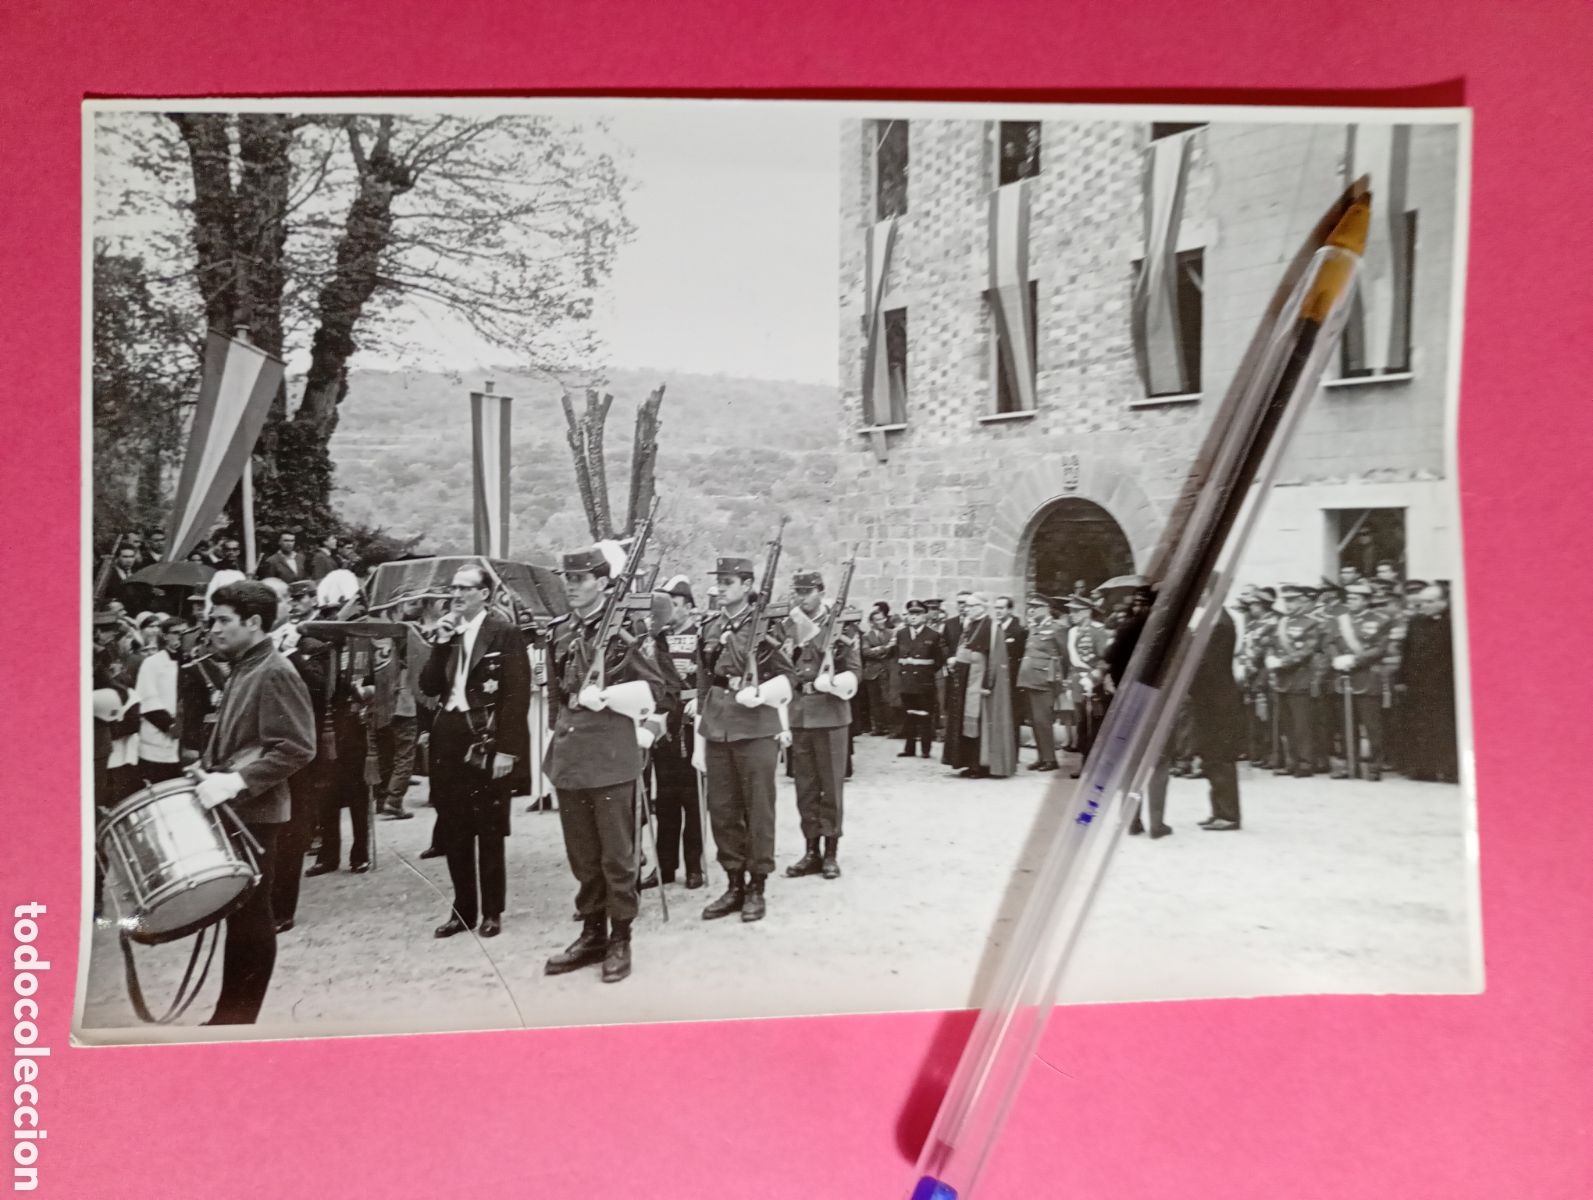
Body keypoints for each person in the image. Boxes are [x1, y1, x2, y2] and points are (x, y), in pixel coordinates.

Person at [191, 580, 316, 1024]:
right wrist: (210, 771)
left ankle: (238, 1019)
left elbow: (297, 747)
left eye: (223, 621)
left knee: (251, 914)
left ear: (254, 623)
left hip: (255, 813)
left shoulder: (274, 670)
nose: (213, 630)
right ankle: (230, 1015)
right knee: (239, 914)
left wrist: (234, 783)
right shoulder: (246, 666)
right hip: (239, 810)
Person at [542, 546, 666, 983]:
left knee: (617, 854)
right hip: (572, 755)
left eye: (580, 579)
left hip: (612, 755)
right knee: (582, 854)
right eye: (568, 579)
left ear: (602, 582)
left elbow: (656, 687)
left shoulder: (627, 632)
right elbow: (559, 694)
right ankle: (591, 932)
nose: (572, 586)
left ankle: (620, 937)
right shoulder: (558, 632)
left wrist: (610, 697)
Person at [418, 564, 531, 939]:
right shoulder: (447, 633)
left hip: (485, 733)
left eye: (466, 588)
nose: (457, 595)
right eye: (454, 588)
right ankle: (462, 909)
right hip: (448, 733)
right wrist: (440, 643)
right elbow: (429, 686)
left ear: (484, 594)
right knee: (453, 827)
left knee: (489, 827)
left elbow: (516, 697)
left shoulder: (505, 633)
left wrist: (508, 752)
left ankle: (492, 911)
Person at [693, 554, 795, 923]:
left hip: (755, 726)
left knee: (757, 809)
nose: (720, 588)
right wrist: (700, 734)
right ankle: (734, 883)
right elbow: (705, 682)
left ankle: (757, 885)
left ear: (748, 586)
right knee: (722, 810)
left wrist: (761, 693)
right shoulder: (708, 626)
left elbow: (788, 676)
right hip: (718, 724)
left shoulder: (768, 626)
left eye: (728, 582)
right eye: (718, 581)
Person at [782, 569, 862, 881]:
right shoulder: (789, 624)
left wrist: (833, 680)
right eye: (798, 592)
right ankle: (810, 850)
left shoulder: (840, 624)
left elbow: (855, 669)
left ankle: (830, 852)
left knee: (831, 787)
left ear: (820, 591)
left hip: (830, 712)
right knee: (805, 788)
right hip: (800, 711)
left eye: (807, 591)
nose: (802, 597)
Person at [268, 581, 331, 934]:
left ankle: (282, 909)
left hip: (297, 749)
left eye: (288, 599)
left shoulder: (310, 645)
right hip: (261, 749)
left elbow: (321, 692)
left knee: (292, 830)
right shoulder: (254, 645)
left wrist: (292, 654)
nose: (289, 605)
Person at [652, 576, 705, 889]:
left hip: (690, 722)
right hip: (665, 722)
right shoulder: (657, 638)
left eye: (674, 604)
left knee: (693, 798)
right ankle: (665, 866)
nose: (669, 610)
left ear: (688, 606)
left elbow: (709, 675)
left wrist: (699, 698)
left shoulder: (701, 636)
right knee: (665, 798)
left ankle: (694, 865)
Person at [1328, 581, 1392, 780]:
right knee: (1347, 724)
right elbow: (1329, 641)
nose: (1351, 602)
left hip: (1367, 678)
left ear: (1366, 600)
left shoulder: (1381, 619)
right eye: (1349, 598)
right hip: (1344, 677)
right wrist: (1336, 658)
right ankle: (1350, 764)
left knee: (1372, 726)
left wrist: (1355, 659)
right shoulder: (1340, 620)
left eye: (1356, 598)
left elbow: (1380, 648)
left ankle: (1374, 766)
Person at [1264, 584, 1325, 777]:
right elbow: (1271, 644)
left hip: (1300, 679)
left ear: (1301, 601)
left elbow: (1306, 651)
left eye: (1292, 600)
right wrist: (1270, 657)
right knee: (1287, 725)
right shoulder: (1280, 623)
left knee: (1302, 726)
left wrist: (1281, 661)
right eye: (1286, 601)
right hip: (1282, 681)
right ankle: (1292, 762)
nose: (1289, 605)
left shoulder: (1311, 623)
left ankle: (1306, 763)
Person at [1399, 585, 1458, 782]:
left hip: (1445, 684)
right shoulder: (1416, 622)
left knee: (1446, 727)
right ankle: (1425, 768)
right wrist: (1402, 679)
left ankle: (1451, 770)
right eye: (1421, 602)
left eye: (1429, 602)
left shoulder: (1454, 622)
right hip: (1419, 684)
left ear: (1444, 602)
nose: (1423, 606)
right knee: (1421, 725)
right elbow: (1407, 653)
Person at [372, 601, 424, 820]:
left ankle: (383, 798)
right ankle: (394, 801)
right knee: (404, 754)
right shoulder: (405, 631)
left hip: (382, 701)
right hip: (403, 700)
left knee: (387, 753)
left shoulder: (376, 631)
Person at [942, 593, 992, 777]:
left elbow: (987, 657)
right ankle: (966, 762)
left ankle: (978, 765)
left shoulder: (989, 626)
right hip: (965, 678)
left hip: (977, 681)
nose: (966, 609)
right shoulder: (971, 625)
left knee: (976, 722)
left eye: (970, 606)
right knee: (963, 720)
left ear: (981, 607)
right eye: (965, 606)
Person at [1016, 596, 1066, 772]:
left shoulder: (1056, 628)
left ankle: (1051, 759)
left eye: (1036, 607)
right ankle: (1041, 757)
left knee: (1043, 720)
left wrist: (1061, 680)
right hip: (1030, 679)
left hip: (1045, 680)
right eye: (1030, 607)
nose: (1032, 610)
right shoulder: (1034, 627)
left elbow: (1064, 654)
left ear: (1046, 608)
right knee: (1035, 721)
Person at [134, 617, 185, 787]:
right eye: (176, 633)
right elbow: (148, 698)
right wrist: (169, 726)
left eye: (185, 632)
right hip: (159, 735)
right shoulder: (152, 663)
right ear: (164, 636)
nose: (181, 636)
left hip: (184, 741)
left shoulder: (190, 662)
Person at [1062, 594, 1111, 774]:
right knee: (1081, 723)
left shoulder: (1098, 631)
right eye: (1071, 611)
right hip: (1077, 682)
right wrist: (1069, 682)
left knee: (1094, 725)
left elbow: (1104, 660)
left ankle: (1094, 766)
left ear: (1086, 612)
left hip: (1093, 684)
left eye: (1075, 611)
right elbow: (1071, 662)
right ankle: (1084, 763)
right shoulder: (1072, 632)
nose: (1071, 614)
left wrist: (1092, 678)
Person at [894, 600, 945, 758]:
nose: (913, 617)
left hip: (924, 682)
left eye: (917, 614)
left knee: (924, 716)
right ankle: (909, 749)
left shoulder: (933, 635)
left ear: (924, 616)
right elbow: (898, 655)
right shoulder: (901, 634)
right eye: (911, 614)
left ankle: (925, 749)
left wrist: (925, 672)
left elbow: (938, 660)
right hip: (906, 681)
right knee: (909, 715)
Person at [981, 595, 1025, 778]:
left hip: (1012, 681)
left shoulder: (1019, 630)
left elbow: (1021, 657)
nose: (998, 611)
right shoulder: (993, 629)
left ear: (1010, 610)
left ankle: (1011, 757)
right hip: (998, 681)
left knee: (1013, 719)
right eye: (996, 608)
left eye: (1001, 608)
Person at [859, 605, 897, 735]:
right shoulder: (866, 636)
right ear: (872, 622)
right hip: (871, 673)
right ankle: (878, 727)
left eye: (883, 619)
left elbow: (893, 650)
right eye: (878, 620)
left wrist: (877, 649)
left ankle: (890, 727)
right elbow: (866, 652)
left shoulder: (891, 633)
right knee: (874, 701)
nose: (881, 622)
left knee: (888, 699)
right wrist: (885, 648)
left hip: (887, 671)